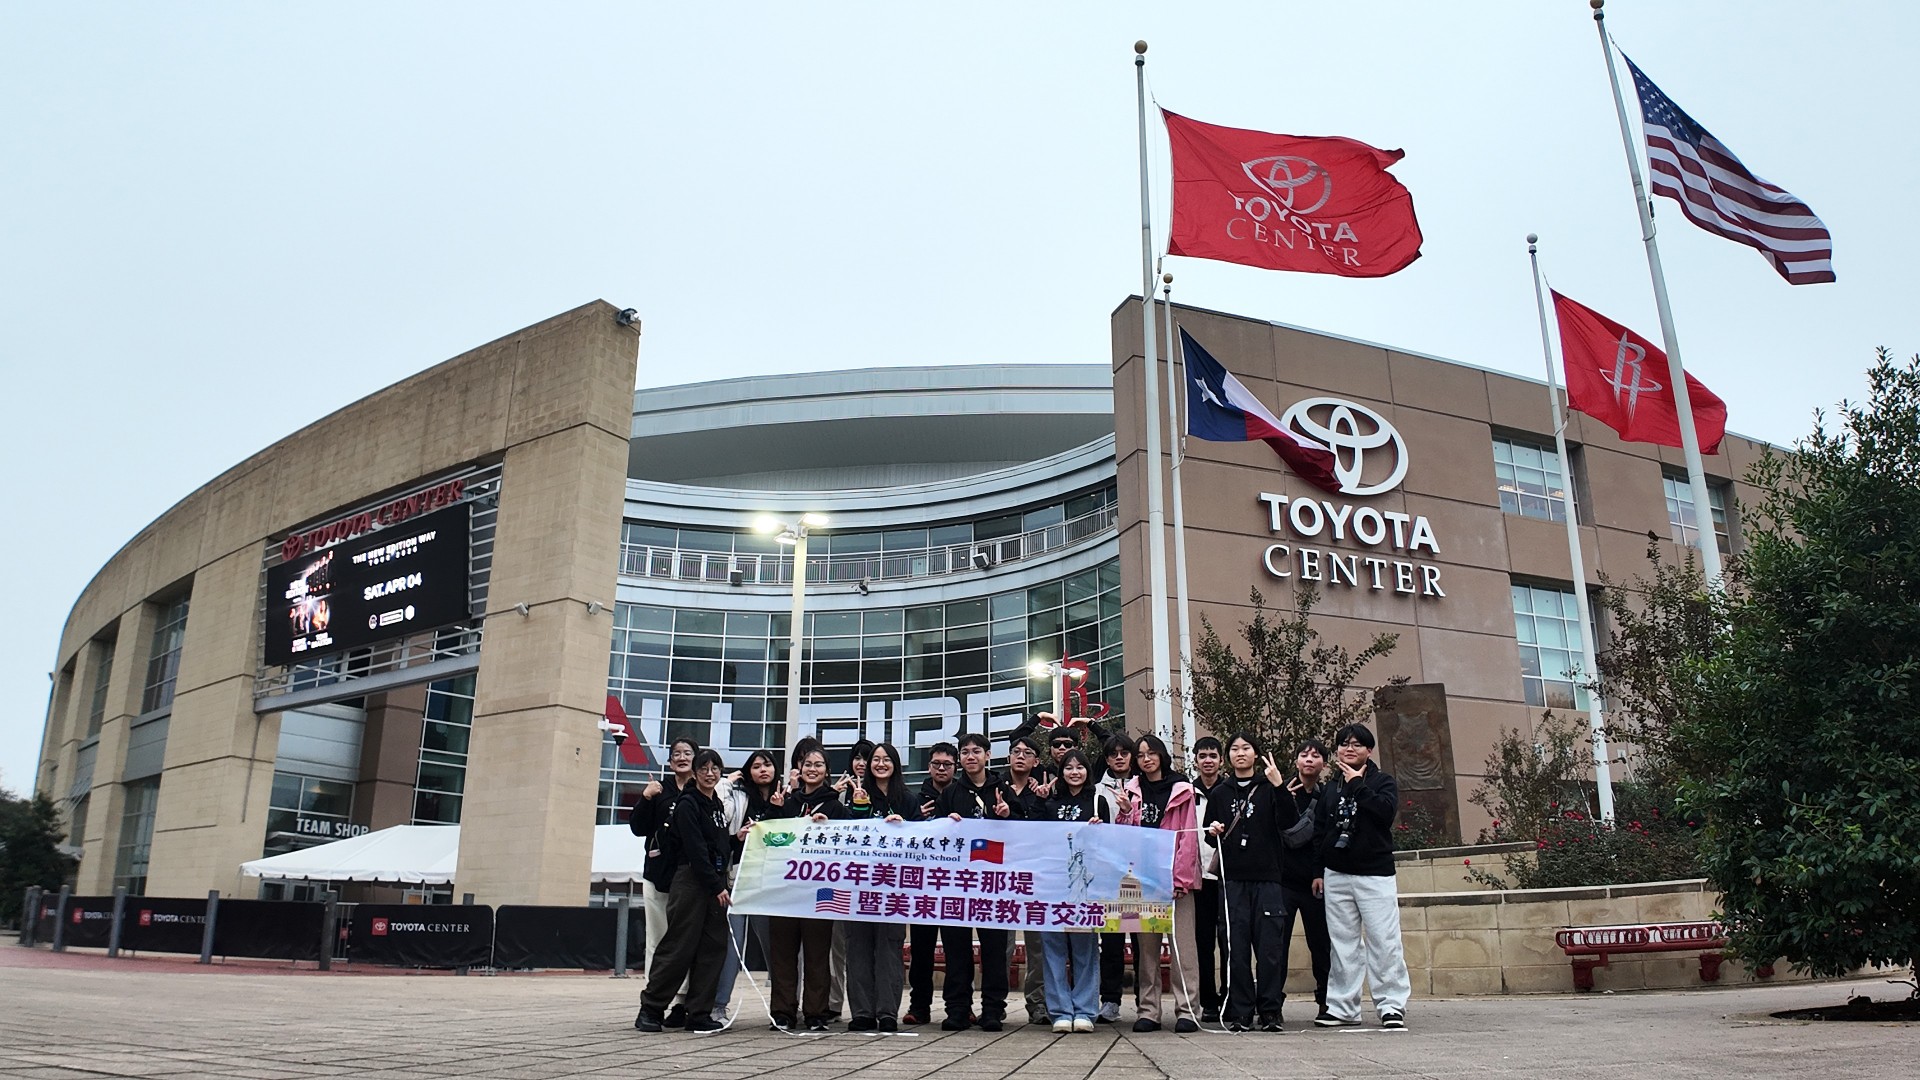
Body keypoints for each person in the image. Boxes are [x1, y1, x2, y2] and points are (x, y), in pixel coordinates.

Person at [1312, 724, 1410, 1031]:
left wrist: (1358, 786)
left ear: (1369, 750)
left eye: (1356, 744)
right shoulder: (1330, 787)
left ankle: (1391, 1004)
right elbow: (1319, 832)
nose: (1348, 749)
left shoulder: (1382, 782)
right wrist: (1318, 871)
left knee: (1384, 941)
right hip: (1337, 874)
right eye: (1343, 744)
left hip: (1375, 874)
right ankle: (1343, 1007)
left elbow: (1384, 813)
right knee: (1342, 944)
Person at [1202, 732, 1298, 1032]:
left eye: (1246, 748)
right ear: (1228, 756)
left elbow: (1289, 822)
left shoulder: (1269, 788)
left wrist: (1280, 785)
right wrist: (1214, 829)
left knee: (1270, 948)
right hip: (1232, 881)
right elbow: (1208, 832)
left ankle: (1270, 1010)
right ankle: (1240, 1009)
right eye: (1234, 749)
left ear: (1256, 754)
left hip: (1268, 879)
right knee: (1235, 948)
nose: (1240, 753)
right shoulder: (1220, 792)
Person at [634, 750, 733, 1034]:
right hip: (691, 879)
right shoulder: (688, 803)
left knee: (713, 948)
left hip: (714, 882)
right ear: (696, 771)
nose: (710, 773)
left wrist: (737, 840)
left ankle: (698, 1011)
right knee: (679, 946)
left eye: (715, 768)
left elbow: (719, 845)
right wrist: (716, 886)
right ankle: (651, 1008)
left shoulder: (715, 804)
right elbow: (694, 848)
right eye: (704, 768)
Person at [936, 731, 1021, 1031]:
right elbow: (937, 839)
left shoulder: (1004, 790)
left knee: (995, 950)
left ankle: (993, 1010)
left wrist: (1008, 815)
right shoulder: (950, 794)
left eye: (976, 751)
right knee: (956, 947)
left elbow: (1027, 835)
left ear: (987, 755)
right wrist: (948, 825)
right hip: (957, 884)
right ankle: (958, 1009)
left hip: (994, 885)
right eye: (965, 752)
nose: (970, 756)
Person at [1121, 734, 1201, 1033]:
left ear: (1161, 755)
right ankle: (1149, 1010)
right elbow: (1124, 837)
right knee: (1148, 949)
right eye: (1140, 755)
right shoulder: (1131, 790)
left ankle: (1187, 1010)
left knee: (1183, 948)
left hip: (1174, 879)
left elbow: (1188, 836)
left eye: (1151, 753)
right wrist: (1127, 812)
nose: (1146, 759)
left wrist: (1180, 878)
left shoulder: (1181, 789)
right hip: (1142, 880)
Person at [766, 741, 848, 1031]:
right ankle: (783, 1011)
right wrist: (775, 814)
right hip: (786, 887)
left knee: (817, 953)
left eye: (818, 765)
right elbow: (770, 840)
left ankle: (816, 1012)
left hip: (821, 889)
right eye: (808, 764)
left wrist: (826, 828)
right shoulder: (786, 802)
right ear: (799, 769)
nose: (812, 769)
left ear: (827, 772)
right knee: (783, 953)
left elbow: (847, 844)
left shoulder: (836, 806)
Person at [839, 741, 919, 1032]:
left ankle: (887, 1012)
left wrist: (905, 828)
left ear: (896, 764)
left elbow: (925, 839)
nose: (880, 764)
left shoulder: (908, 800)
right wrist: (859, 808)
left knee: (888, 948)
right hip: (857, 886)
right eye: (875, 759)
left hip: (894, 888)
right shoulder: (855, 797)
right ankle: (861, 1012)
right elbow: (844, 836)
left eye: (887, 759)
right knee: (857, 947)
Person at [629, 736, 699, 1027]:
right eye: (676, 754)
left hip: (691, 880)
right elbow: (637, 828)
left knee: (686, 942)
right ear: (669, 761)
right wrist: (646, 798)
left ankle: (682, 1003)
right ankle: (654, 1001)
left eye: (688, 753)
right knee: (657, 941)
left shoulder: (702, 789)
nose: (682, 757)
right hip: (658, 875)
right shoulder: (659, 789)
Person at [1038, 748, 1109, 1033]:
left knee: (1085, 949)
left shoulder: (1097, 801)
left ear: (1087, 772)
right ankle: (1059, 1011)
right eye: (1069, 767)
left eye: (1080, 767)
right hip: (1052, 884)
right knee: (1053, 948)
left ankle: (1085, 1010)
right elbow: (1034, 838)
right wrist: (1037, 802)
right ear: (1061, 772)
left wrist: (1099, 829)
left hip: (1085, 885)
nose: (1075, 772)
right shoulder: (1049, 803)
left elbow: (1108, 844)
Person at [712, 749, 784, 1022]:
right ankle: (719, 1005)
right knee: (733, 944)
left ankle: (783, 1006)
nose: (762, 770)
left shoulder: (785, 797)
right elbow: (719, 808)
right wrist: (727, 782)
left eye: (767, 764)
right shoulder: (739, 795)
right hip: (740, 877)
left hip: (772, 881)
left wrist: (780, 809)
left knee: (775, 946)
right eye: (756, 766)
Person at [904, 741, 960, 1026]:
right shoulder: (914, 798)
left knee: (956, 949)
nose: (941, 768)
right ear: (929, 766)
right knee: (921, 950)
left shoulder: (963, 795)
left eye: (947, 764)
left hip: (955, 885)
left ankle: (958, 1006)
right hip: (923, 884)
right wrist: (918, 821)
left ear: (955, 767)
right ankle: (919, 1006)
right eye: (936, 763)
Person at [1002, 736, 1054, 1025]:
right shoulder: (995, 787)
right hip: (1002, 877)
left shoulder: (1044, 791)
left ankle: (1038, 1004)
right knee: (1001, 943)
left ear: (1036, 761)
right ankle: (994, 1002)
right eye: (1016, 752)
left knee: (1038, 945)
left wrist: (1044, 800)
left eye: (1028, 753)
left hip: (1035, 877)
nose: (1020, 756)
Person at [1279, 739, 1332, 1016]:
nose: (1309, 759)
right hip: (1283, 881)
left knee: (1321, 944)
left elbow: (1324, 839)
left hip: (1315, 882)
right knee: (1277, 945)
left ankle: (1326, 1001)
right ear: (1296, 760)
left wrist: (1318, 872)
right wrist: (1281, 798)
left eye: (1316, 755)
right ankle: (1271, 1004)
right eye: (1304, 755)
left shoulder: (1328, 795)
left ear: (1324, 763)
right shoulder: (1281, 790)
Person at [1093, 734, 1137, 1024]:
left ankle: (1148, 1002)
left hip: (1140, 873)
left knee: (1143, 939)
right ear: (1107, 759)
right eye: (1113, 754)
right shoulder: (1096, 791)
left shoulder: (1144, 785)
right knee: (1110, 942)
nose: (1119, 757)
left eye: (1124, 753)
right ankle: (1110, 1000)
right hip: (1108, 876)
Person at [1189, 735, 1229, 1024]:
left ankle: (1230, 996)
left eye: (1213, 756)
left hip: (1230, 876)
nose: (1208, 761)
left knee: (1229, 941)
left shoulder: (1231, 791)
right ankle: (1208, 1000)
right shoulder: (1186, 793)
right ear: (1196, 760)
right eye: (1203, 756)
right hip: (1198, 876)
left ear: (1221, 760)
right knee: (1202, 942)